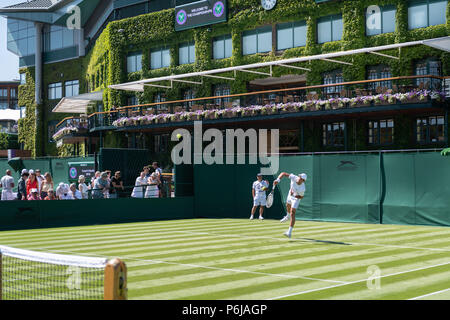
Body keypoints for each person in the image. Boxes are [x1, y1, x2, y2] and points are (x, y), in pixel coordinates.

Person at [273, 172, 307, 239]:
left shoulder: (302, 188)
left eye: (301, 178)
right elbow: (283, 173)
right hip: (290, 195)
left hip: (296, 198)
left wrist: (294, 194)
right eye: (299, 176)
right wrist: (278, 180)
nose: (299, 178)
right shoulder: (294, 177)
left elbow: (301, 197)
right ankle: (287, 217)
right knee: (287, 205)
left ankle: (289, 232)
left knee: (292, 212)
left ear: (303, 181)